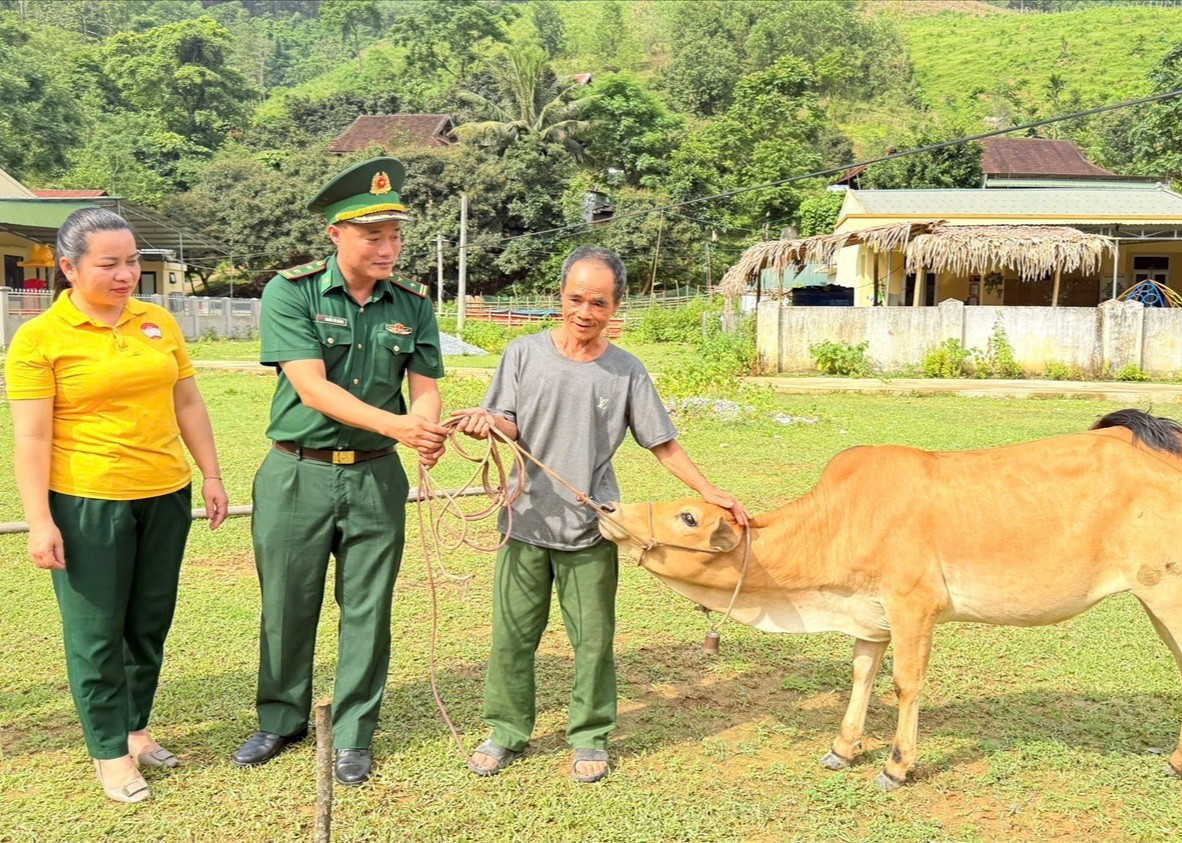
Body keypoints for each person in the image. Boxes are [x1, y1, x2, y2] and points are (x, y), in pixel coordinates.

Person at [454, 245, 749, 783]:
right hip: (524, 522)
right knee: (512, 636)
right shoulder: (523, 354)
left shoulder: (625, 371)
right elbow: (509, 421)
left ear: (616, 307)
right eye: (575, 298)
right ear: (559, 297)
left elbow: (662, 443)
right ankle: (505, 730)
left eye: (598, 302)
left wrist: (713, 491)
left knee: (592, 640)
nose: (584, 312)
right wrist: (487, 422)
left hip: (592, 529)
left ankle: (589, 736)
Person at [232, 156, 447, 787]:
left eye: (395, 234)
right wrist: (400, 424)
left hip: (378, 478)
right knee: (287, 603)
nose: (389, 247)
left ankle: (354, 733)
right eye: (372, 235)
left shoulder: (412, 304)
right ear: (335, 235)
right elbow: (313, 389)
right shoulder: (290, 291)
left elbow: (424, 384)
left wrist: (426, 427)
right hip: (297, 473)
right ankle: (281, 717)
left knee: (368, 606)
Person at [6, 208, 228, 803]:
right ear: (69, 268)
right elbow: (31, 437)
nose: (127, 273)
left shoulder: (157, 321)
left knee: (148, 622)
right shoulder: (39, 339)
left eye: (131, 260)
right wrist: (40, 520)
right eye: (110, 264)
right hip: (86, 502)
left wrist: (210, 472)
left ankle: (134, 730)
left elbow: (187, 401)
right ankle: (108, 752)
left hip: (164, 493)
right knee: (97, 632)